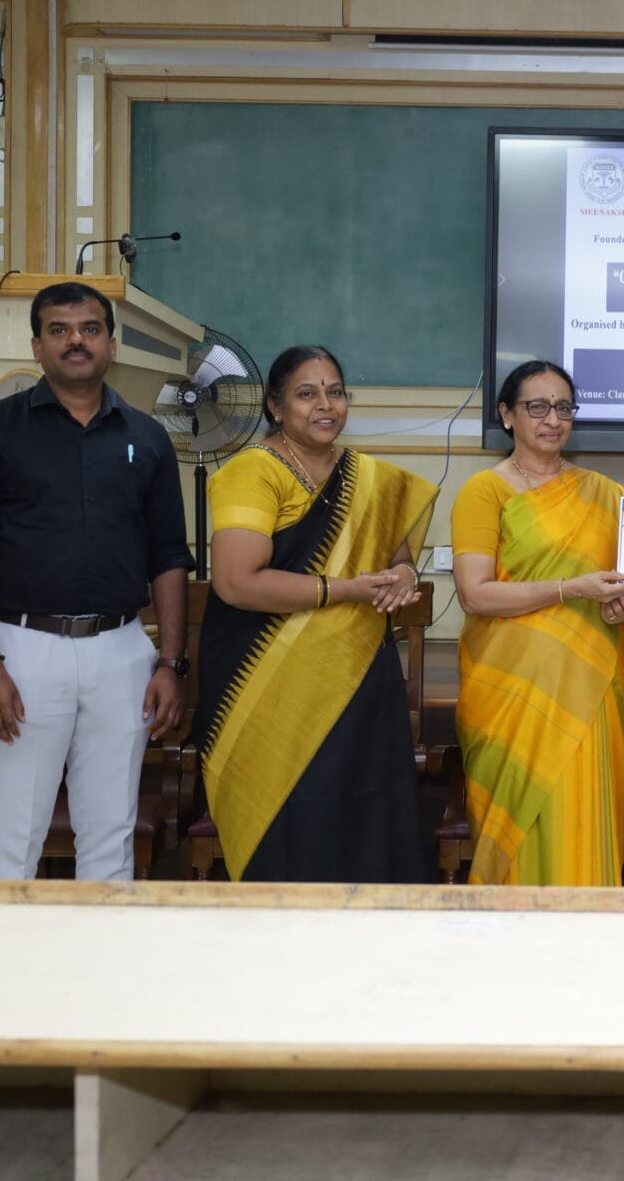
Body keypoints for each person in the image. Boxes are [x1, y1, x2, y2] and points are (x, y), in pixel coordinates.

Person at [0, 279, 192, 880]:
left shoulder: (147, 438)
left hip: (122, 651)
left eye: (90, 329)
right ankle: (8, 946)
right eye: (59, 330)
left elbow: (169, 557)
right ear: (37, 346)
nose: (76, 341)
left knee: (111, 835)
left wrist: (170, 663)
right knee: (15, 832)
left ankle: (101, 946)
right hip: (23, 652)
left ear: (111, 344)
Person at [193, 345, 437, 882]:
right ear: (275, 407)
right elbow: (236, 582)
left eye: (335, 392)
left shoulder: (369, 476)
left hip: (358, 681)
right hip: (266, 685)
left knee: (365, 817)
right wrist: (346, 590)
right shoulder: (253, 472)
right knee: (286, 824)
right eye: (307, 394)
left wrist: (404, 575)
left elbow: (398, 559)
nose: (325, 405)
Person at [452, 360, 624, 885]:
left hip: (586, 693)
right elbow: (474, 594)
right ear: (507, 415)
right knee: (518, 840)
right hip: (510, 696)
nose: (552, 420)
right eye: (537, 407)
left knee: (582, 829)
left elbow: (623, 588)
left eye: (563, 408)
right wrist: (570, 589)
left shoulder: (606, 493)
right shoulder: (484, 492)